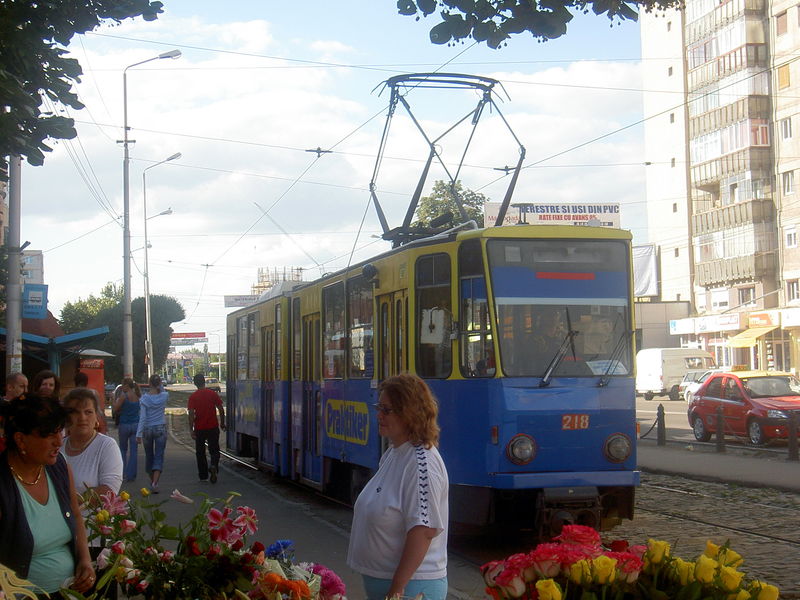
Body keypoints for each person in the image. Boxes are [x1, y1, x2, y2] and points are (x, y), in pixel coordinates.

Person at [347, 373, 449, 600]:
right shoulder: (396, 453)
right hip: (388, 585)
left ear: (410, 413)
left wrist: (396, 589)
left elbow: (423, 531)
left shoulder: (422, 463)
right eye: (378, 407)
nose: (379, 415)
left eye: (387, 410)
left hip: (411, 589)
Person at [0, 395, 95, 596]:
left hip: (69, 591)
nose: (59, 441)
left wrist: (85, 561)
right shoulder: (4, 484)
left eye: (59, 432)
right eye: (49, 435)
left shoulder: (58, 466)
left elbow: (76, 515)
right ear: (20, 440)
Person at [61, 388, 123, 497]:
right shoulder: (58, 447)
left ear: (96, 417)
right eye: (76, 412)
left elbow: (109, 490)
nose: (82, 417)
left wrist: (70, 505)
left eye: (88, 412)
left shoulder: (106, 446)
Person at [187, 373, 226, 483]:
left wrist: (191, 429)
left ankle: (203, 476)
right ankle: (213, 465)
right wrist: (222, 423)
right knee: (214, 450)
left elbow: (191, 414)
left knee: (200, 452)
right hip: (213, 427)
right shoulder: (212, 394)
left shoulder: (193, 397)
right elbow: (221, 409)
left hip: (200, 428)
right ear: (204, 382)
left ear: (195, 383)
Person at [136, 374, 168, 493]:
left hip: (147, 429)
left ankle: (153, 482)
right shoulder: (164, 396)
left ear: (149, 384)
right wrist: (159, 385)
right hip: (160, 428)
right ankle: (155, 483)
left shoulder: (144, 399)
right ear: (160, 383)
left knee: (149, 456)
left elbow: (143, 417)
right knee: (159, 456)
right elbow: (162, 390)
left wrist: (138, 434)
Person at [114, 378, 141, 482]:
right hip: (135, 425)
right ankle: (131, 475)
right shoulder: (137, 396)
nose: (121, 386)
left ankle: (122, 473)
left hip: (124, 425)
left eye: (122, 384)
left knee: (123, 449)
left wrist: (113, 399)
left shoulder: (123, 396)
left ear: (126, 385)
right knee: (134, 451)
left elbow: (115, 408)